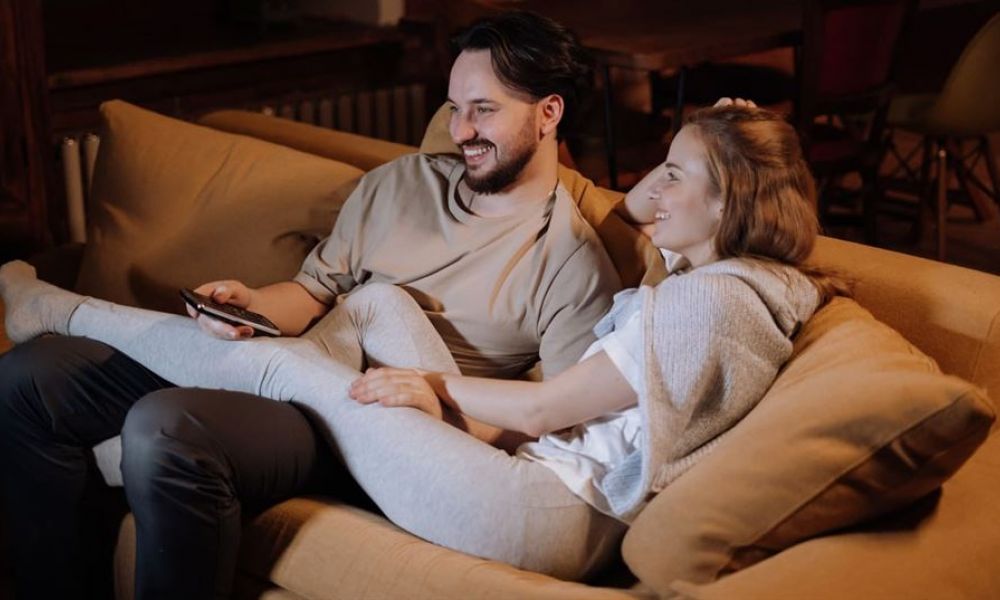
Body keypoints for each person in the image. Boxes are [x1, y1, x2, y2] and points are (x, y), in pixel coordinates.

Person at [0, 102, 838, 589]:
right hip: (542, 476)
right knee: (377, 298)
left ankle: (55, 310)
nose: (654, 191)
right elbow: (637, 210)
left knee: (287, 366)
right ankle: (242, 373)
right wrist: (710, 134)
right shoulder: (711, 282)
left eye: (677, 175)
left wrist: (430, 390)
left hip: (546, 516)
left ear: (725, 206)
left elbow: (549, 404)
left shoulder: (712, 302)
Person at [0, 11, 622, 600]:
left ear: (548, 113)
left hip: (371, 427)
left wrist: (439, 400)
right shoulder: (400, 184)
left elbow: (554, 424)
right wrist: (250, 304)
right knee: (31, 377)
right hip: (301, 356)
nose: (461, 131)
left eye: (483, 111)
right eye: (455, 108)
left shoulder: (570, 262)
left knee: (167, 427)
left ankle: (61, 309)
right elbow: (310, 293)